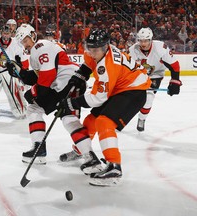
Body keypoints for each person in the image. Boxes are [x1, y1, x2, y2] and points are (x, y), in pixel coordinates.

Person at [58, 29, 151, 186]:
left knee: (104, 122)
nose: (92, 52)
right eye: (90, 48)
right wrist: (79, 76)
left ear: (105, 47)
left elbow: (96, 98)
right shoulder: (96, 51)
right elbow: (88, 64)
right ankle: (81, 150)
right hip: (119, 88)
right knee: (91, 120)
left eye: (96, 50)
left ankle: (114, 167)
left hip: (134, 91)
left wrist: (71, 103)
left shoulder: (107, 66)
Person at [7, 23, 83, 164]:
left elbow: (46, 77)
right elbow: (38, 76)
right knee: (68, 118)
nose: (25, 45)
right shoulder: (40, 49)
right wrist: (19, 72)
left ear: (33, 35)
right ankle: (84, 151)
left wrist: (33, 92)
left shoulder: (40, 46)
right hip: (71, 81)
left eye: (25, 40)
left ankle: (39, 150)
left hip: (65, 83)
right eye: (21, 43)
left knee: (34, 109)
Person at [129, 27, 182, 132]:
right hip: (138, 75)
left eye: (145, 41)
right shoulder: (132, 50)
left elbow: (174, 65)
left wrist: (175, 82)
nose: (143, 43)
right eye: (140, 41)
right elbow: (124, 68)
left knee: (148, 98)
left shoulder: (160, 48)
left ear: (150, 40)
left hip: (155, 75)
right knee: (128, 98)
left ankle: (142, 118)